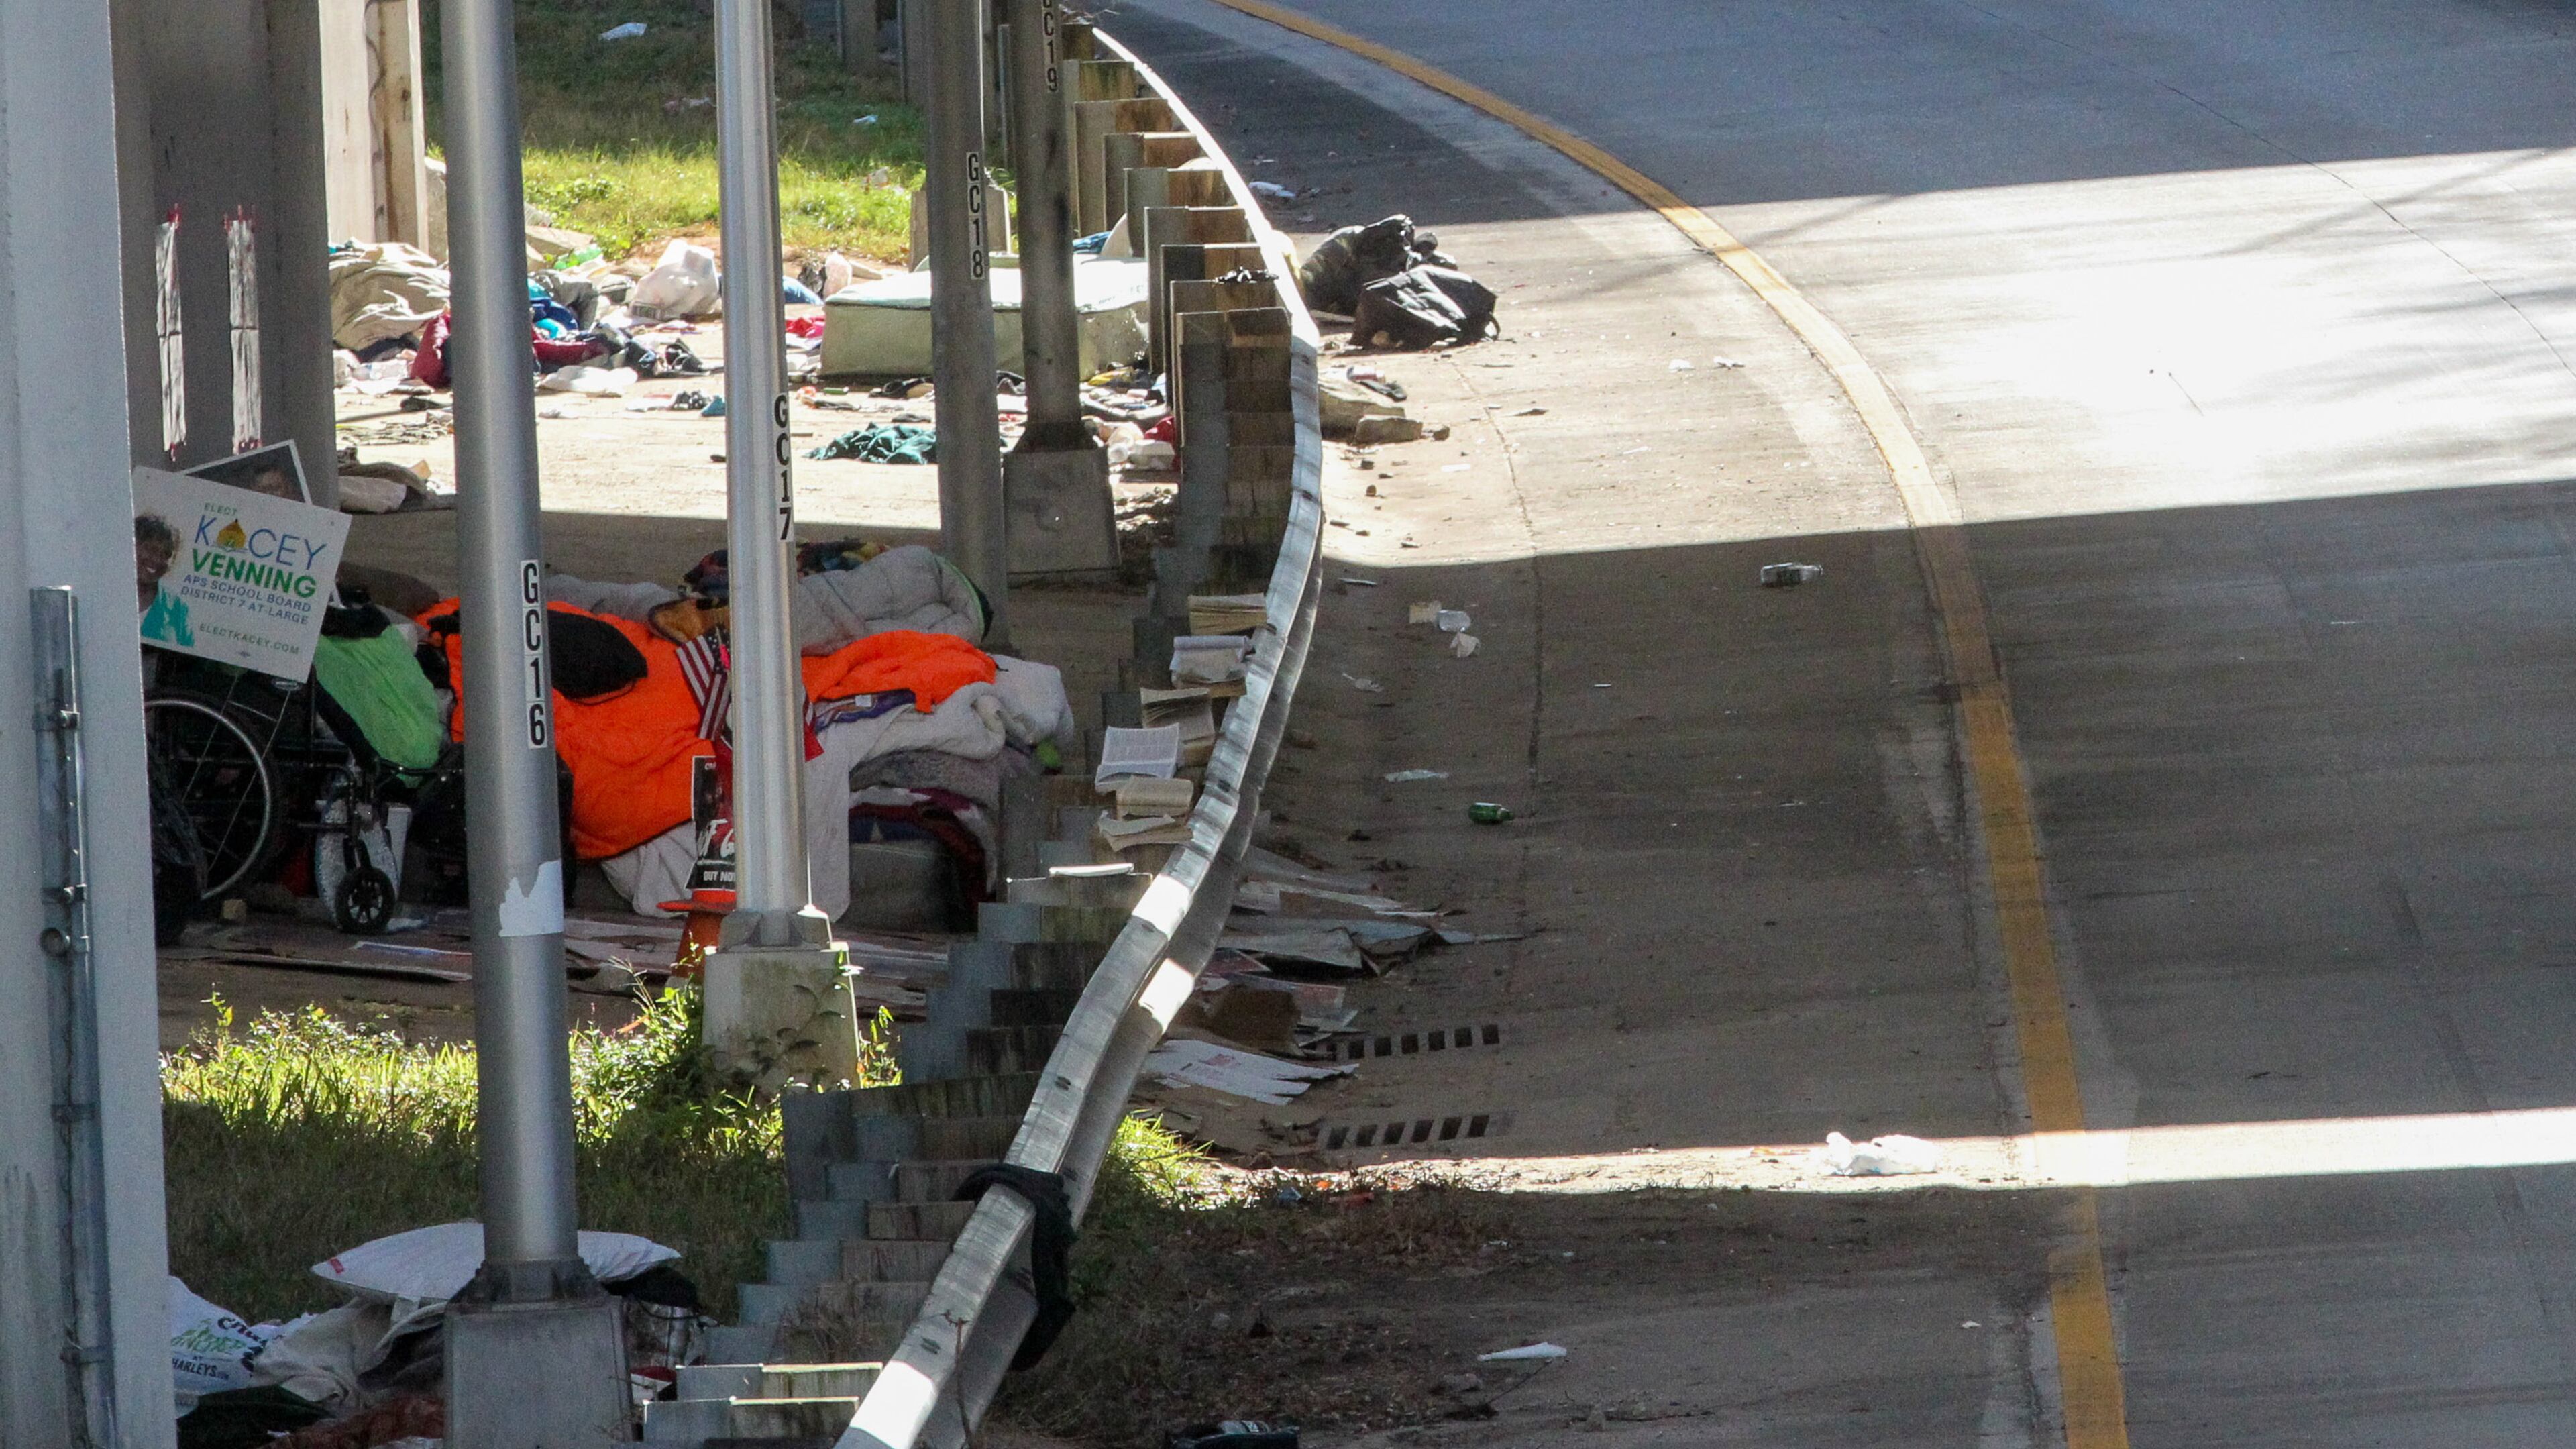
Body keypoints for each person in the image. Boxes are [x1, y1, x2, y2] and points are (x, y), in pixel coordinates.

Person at [136, 513, 194, 647]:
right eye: (151, 549)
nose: (157, 559)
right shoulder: (105, 588)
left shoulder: (178, 609)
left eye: (166, 554)